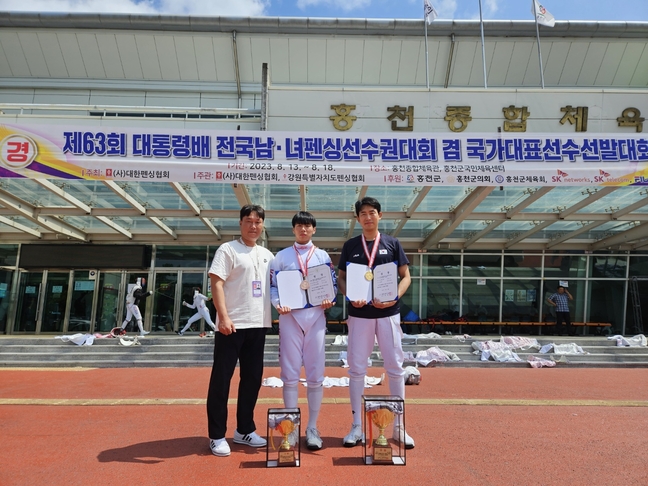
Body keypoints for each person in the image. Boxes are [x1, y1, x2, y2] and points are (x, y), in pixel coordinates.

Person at [337, 197, 415, 449]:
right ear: (357, 218)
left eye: (372, 212)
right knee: (356, 369)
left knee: (395, 367)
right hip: (359, 315)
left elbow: (406, 277)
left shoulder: (392, 243)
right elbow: (341, 278)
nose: (368, 217)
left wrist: (395, 296)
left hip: (388, 313)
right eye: (363, 213)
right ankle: (356, 426)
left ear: (380, 215)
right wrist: (350, 295)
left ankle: (399, 427)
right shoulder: (350, 245)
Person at [206, 204, 274, 457]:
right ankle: (216, 435)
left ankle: (244, 430)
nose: (253, 226)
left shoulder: (267, 255)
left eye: (258, 222)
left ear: (262, 225)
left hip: (258, 324)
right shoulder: (228, 249)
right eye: (248, 221)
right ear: (241, 223)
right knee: (221, 380)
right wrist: (223, 317)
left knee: (253, 379)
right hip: (231, 326)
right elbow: (216, 283)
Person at [270, 211, 337, 451]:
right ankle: (290, 428)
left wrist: (330, 299)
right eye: (299, 226)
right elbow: (273, 287)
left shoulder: (322, 255)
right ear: (293, 229)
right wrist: (278, 304)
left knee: (316, 374)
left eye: (307, 226)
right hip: (290, 318)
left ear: (314, 229)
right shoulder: (281, 257)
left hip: (316, 317)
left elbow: (331, 284)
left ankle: (312, 427)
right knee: (289, 374)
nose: (303, 229)